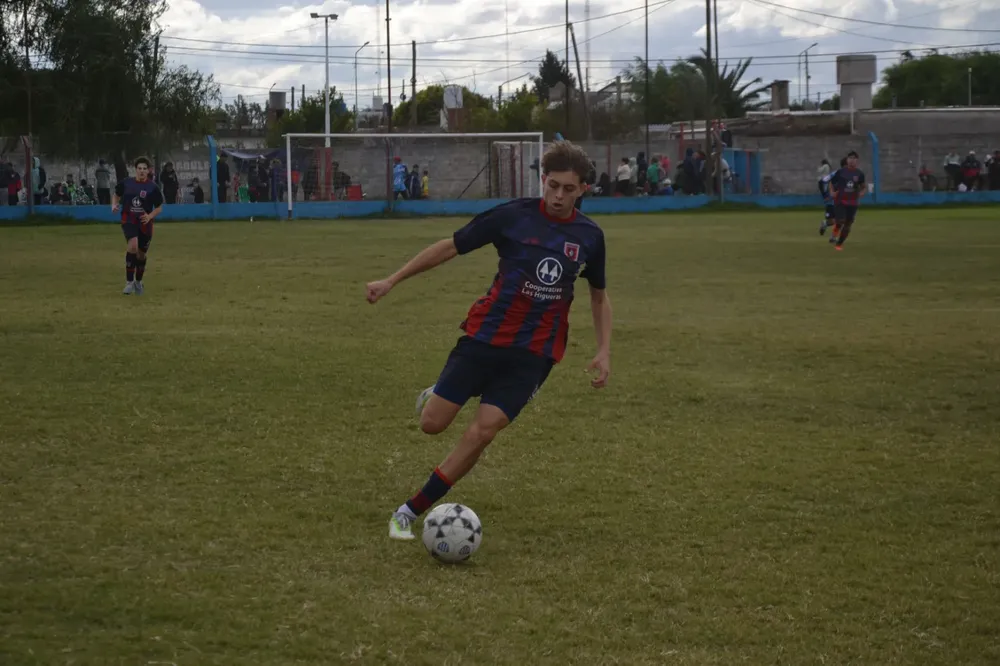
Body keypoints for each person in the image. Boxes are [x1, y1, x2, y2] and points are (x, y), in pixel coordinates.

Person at [365, 141, 613, 541]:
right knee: (432, 424)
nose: (558, 196)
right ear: (543, 181)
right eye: (553, 185)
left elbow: (598, 296)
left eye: (569, 188)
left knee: (484, 430)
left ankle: (409, 511)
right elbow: (451, 246)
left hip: (535, 353)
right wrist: (391, 280)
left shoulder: (590, 236)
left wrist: (603, 350)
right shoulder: (513, 216)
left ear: (583, 188)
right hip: (485, 337)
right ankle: (439, 393)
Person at [112, 157, 164, 295]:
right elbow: (116, 194)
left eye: (144, 169)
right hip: (129, 219)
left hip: (145, 223)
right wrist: (114, 204)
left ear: (148, 171)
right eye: (139, 168)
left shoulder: (152, 187)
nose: (142, 171)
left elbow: (159, 207)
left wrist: (150, 216)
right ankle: (129, 282)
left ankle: (138, 282)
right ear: (135, 170)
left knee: (141, 255)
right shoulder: (127, 183)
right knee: (133, 246)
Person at [829, 150, 866, 251]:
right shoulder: (841, 172)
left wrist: (862, 192)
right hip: (840, 201)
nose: (851, 160)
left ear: (857, 161)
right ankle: (832, 228)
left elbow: (863, 186)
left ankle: (839, 244)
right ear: (847, 160)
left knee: (848, 224)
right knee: (841, 220)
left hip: (853, 202)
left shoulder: (860, 174)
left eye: (854, 158)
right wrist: (832, 192)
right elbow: (832, 183)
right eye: (850, 158)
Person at [818, 157, 846, 237]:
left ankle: (832, 236)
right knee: (835, 220)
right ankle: (826, 225)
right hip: (831, 200)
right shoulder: (838, 174)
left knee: (840, 220)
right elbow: (823, 182)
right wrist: (826, 195)